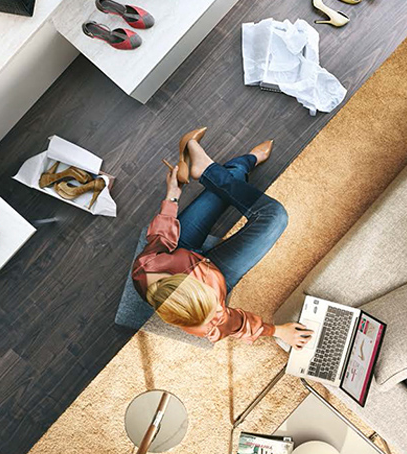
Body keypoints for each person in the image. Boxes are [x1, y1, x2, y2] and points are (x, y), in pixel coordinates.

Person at [132, 128, 312, 349]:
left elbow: (161, 238)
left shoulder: (145, 270)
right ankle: (218, 167)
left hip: (182, 249)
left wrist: (171, 197)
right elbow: (241, 324)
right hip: (220, 272)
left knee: (228, 182)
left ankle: (228, 166)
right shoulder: (209, 323)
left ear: (172, 280)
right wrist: (278, 331)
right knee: (275, 217)